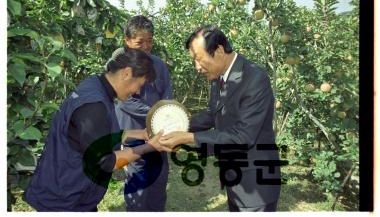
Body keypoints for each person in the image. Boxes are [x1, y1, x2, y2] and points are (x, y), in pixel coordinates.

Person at [24, 47, 170, 211]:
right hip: (64, 198)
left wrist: (141, 134)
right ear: (127, 73)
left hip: (72, 189)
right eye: (139, 85)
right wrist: (149, 147)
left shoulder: (95, 85)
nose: (137, 92)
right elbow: (106, 162)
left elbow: (99, 137)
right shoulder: (94, 106)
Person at [159, 25, 282, 212]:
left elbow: (243, 136)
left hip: (256, 183)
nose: (197, 67)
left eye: (199, 59)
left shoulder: (254, 78)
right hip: (235, 177)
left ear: (218, 50)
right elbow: (211, 113)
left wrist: (189, 138)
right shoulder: (219, 77)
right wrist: (179, 125)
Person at [115, 15, 172, 211]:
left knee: (159, 177)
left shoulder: (159, 65)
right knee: (138, 179)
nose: (146, 46)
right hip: (133, 132)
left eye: (150, 41)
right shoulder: (119, 66)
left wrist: (167, 114)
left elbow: (167, 94)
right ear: (128, 42)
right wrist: (155, 114)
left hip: (158, 132)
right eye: (140, 42)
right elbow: (125, 101)